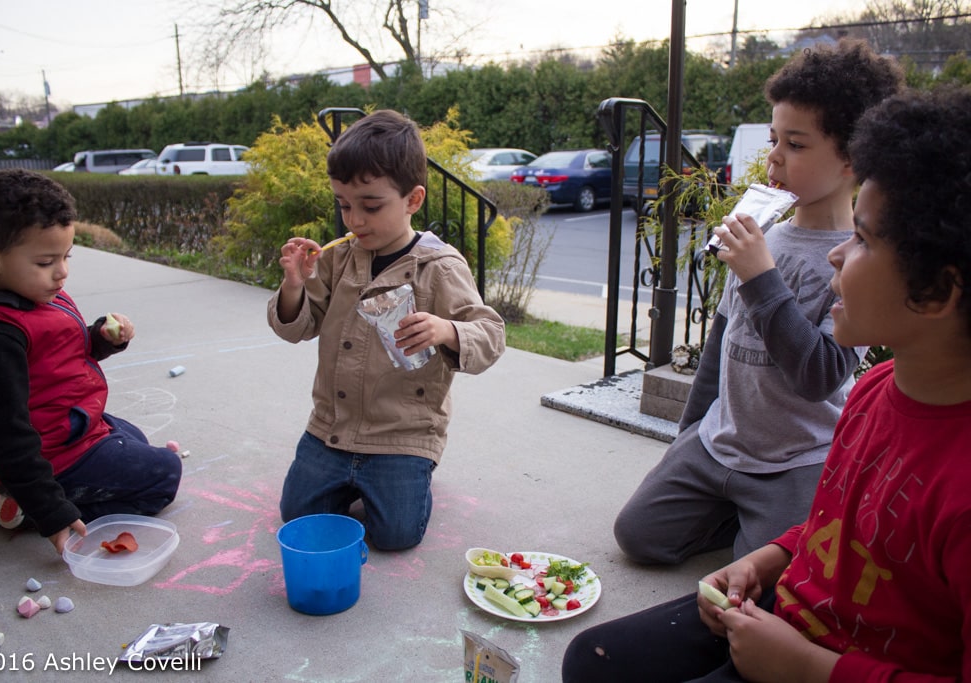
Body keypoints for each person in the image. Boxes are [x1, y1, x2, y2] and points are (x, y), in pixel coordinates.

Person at [564, 84, 971, 683]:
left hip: (817, 622)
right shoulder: (880, 390)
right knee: (592, 650)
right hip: (775, 562)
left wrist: (809, 667)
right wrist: (778, 553)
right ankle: (736, 518)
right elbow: (841, 521)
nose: (839, 256)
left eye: (862, 240)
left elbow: (819, 377)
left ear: (936, 290)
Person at [614, 40, 906, 564]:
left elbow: (821, 375)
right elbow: (720, 343)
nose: (772, 157)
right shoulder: (762, 231)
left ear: (851, 159)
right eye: (774, 138)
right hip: (720, 441)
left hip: (793, 457)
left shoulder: (854, 261)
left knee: (770, 576)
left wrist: (761, 277)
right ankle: (728, 510)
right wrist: (687, 437)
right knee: (639, 538)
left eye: (795, 144)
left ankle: (760, 516)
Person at [268, 110, 505, 551]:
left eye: (371, 206)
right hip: (332, 428)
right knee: (297, 516)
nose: (354, 220)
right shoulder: (340, 259)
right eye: (344, 205)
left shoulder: (439, 267)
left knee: (395, 535)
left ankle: (412, 473)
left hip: (402, 434)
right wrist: (294, 284)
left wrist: (446, 330)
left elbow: (490, 333)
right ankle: (353, 481)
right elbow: (298, 326)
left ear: (413, 200)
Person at [0, 169, 182, 554]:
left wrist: (99, 339)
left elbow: (56, 354)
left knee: (132, 437)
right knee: (163, 474)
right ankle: (27, 505)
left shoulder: (28, 291)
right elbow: (5, 435)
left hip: (62, 426)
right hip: (44, 455)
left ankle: (14, 493)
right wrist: (50, 509)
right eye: (45, 262)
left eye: (66, 256)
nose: (62, 272)